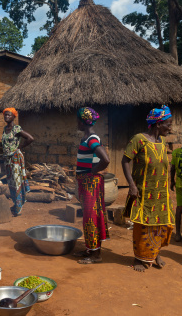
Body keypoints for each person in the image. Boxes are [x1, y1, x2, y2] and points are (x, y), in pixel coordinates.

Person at [121, 105, 175, 272]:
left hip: (161, 193)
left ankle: (154, 253)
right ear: (158, 124)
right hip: (143, 191)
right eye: (168, 123)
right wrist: (131, 184)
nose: (170, 127)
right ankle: (139, 257)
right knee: (142, 224)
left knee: (161, 224)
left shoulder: (163, 141)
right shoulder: (139, 139)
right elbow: (125, 161)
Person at [73, 107, 110, 264]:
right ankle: (91, 249)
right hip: (86, 182)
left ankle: (96, 255)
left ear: (83, 122)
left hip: (91, 182)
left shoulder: (92, 139)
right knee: (89, 216)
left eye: (78, 121)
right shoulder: (87, 138)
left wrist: (91, 171)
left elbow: (105, 159)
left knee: (91, 217)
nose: (77, 123)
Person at [2, 108, 34, 217]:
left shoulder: (16, 129)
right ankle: (15, 204)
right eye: (5, 115)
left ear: (14, 116)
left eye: (9, 115)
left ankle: (18, 207)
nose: (6, 117)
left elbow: (30, 138)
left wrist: (19, 147)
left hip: (15, 159)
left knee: (17, 182)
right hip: (7, 160)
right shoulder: (5, 129)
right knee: (11, 183)